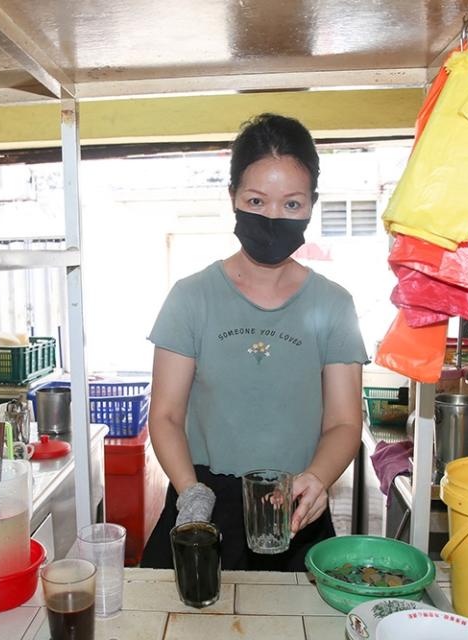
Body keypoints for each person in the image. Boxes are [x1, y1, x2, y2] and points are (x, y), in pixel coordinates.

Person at [140, 113, 369, 571]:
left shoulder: (335, 304)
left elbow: (344, 422)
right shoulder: (191, 298)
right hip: (202, 499)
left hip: (296, 504)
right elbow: (165, 415)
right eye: (256, 200)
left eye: (291, 204)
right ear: (233, 198)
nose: (271, 217)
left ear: (311, 205)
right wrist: (190, 494)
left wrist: (318, 480)